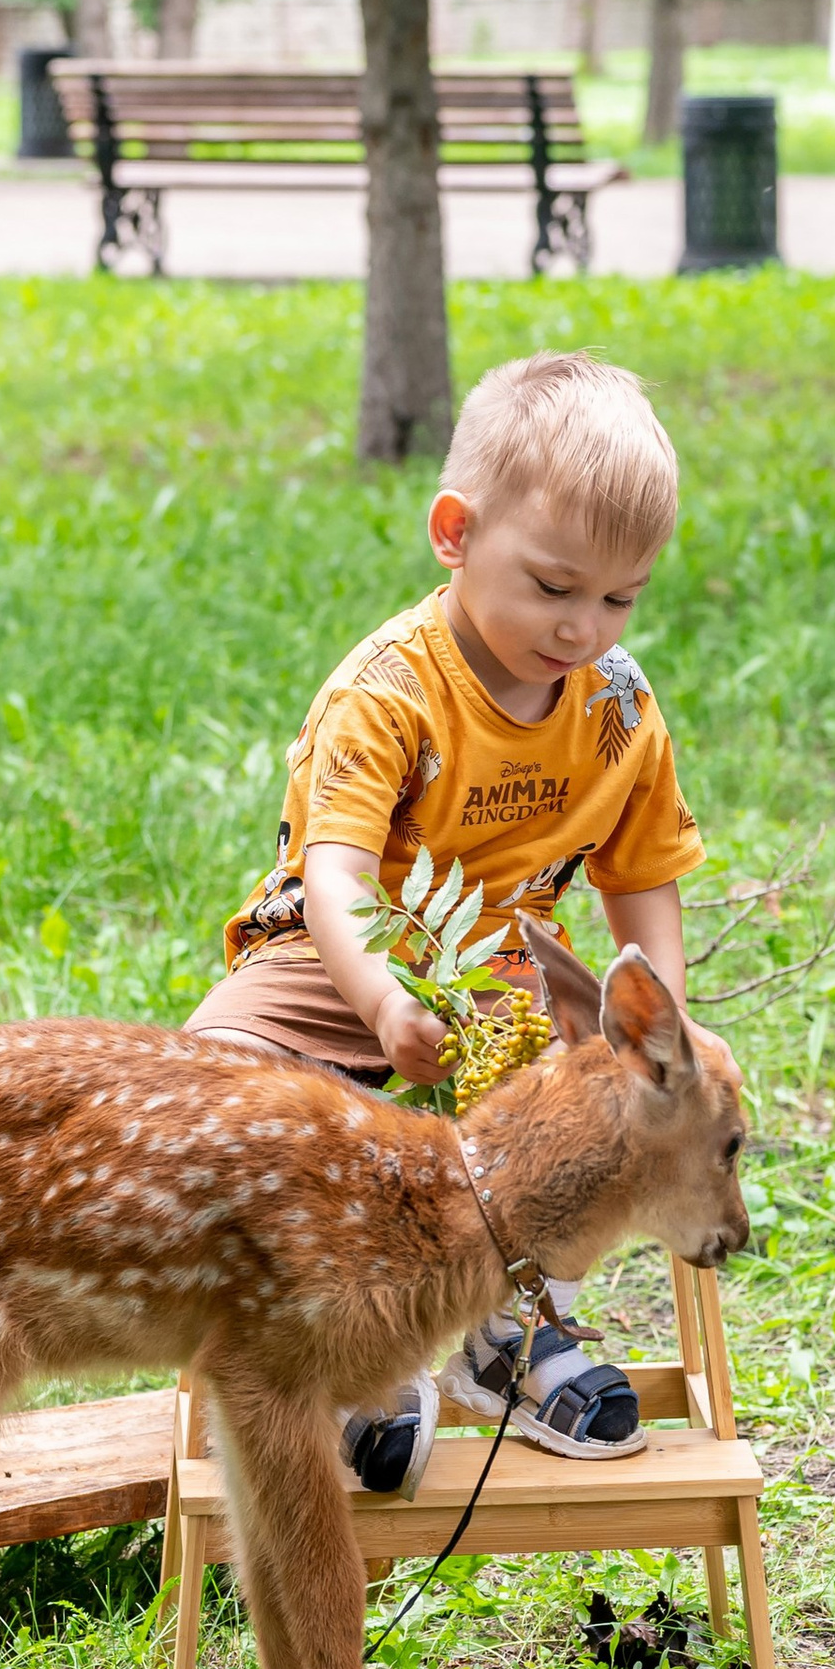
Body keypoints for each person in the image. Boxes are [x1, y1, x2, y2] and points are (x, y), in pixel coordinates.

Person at [184, 349, 705, 1491]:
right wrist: (379, 999)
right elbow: (334, 876)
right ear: (456, 533)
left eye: (621, 598)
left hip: (504, 978)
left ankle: (509, 1335)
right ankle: (331, 1356)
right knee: (215, 1086)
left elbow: (642, 873)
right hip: (333, 962)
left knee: (589, 1115)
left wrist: (653, 1032)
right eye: (556, 587)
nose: (584, 629)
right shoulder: (391, 689)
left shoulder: (618, 710)